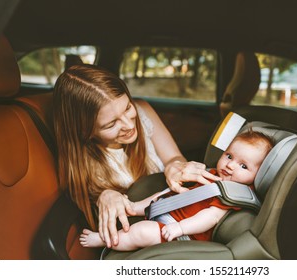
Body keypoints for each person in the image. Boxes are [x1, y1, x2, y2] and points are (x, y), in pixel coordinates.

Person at [53, 64, 221, 248]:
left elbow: (174, 157)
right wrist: (106, 195)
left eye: (127, 108)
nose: (129, 125)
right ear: (85, 131)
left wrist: (175, 167)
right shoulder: (84, 160)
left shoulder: (142, 110)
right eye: (111, 124)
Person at [79, 130, 273, 250]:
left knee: (141, 232)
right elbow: (174, 193)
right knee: (163, 193)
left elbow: (210, 217)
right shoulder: (214, 173)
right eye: (229, 156)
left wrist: (180, 228)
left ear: (259, 175)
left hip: (184, 232)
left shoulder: (233, 193)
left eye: (244, 166)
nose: (230, 166)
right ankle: (135, 206)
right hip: (170, 211)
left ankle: (106, 240)